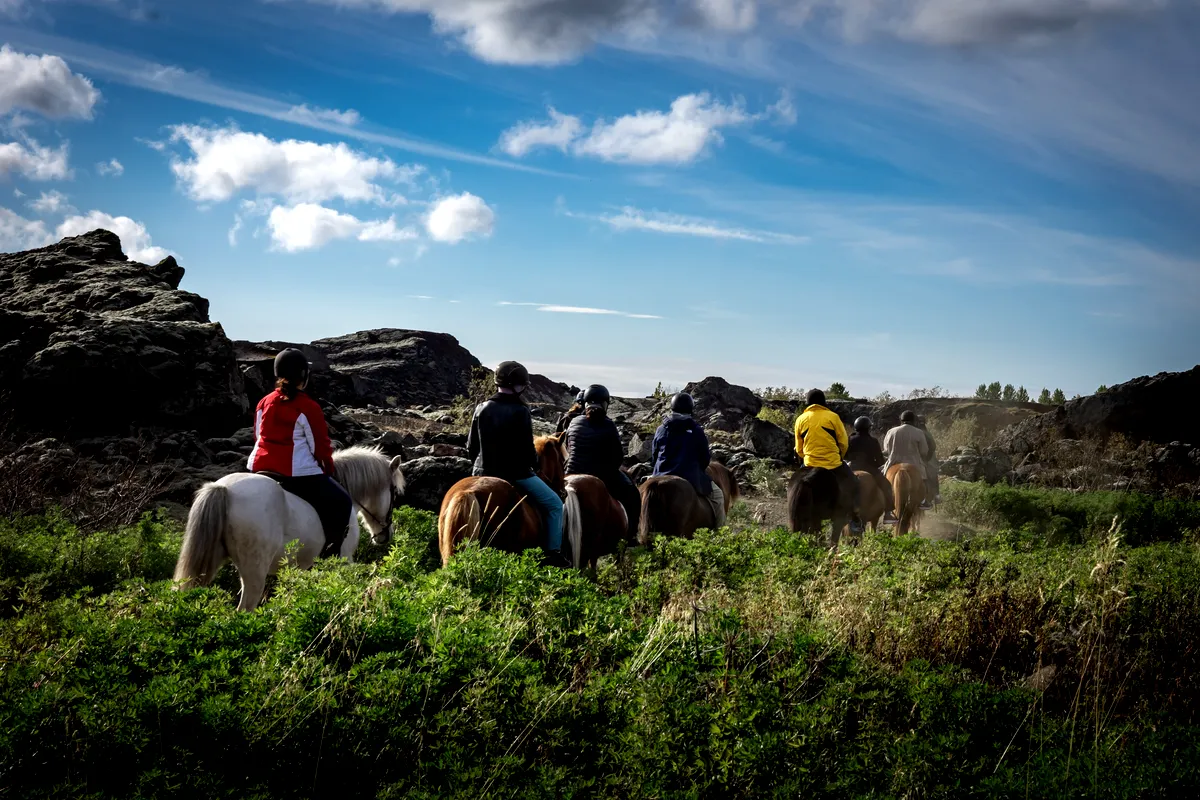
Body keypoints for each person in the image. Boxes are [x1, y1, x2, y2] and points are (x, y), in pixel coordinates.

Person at [249, 348, 353, 559]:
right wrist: (328, 469)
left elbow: (258, 436)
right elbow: (320, 447)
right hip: (296, 475)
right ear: (303, 376)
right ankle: (330, 556)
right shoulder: (308, 407)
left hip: (259, 468)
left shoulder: (264, 402)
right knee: (343, 503)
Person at [467, 360, 567, 567]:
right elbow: (527, 450)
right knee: (555, 505)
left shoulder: (481, 408)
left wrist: (478, 470)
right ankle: (553, 554)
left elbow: (471, 447)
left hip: (481, 472)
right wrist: (535, 466)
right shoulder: (520, 411)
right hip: (515, 473)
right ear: (517, 385)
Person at [565, 384, 641, 538]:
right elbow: (617, 458)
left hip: (570, 472)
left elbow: (568, 448)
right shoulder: (608, 424)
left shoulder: (574, 422)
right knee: (632, 494)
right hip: (602, 475)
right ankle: (631, 535)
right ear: (605, 404)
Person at [650, 392, 725, 528]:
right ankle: (719, 536)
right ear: (690, 409)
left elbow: (654, 456)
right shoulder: (696, 431)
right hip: (689, 476)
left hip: (660, 474)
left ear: (672, 408)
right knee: (718, 497)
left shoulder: (660, 429)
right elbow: (704, 459)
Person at [794, 389, 863, 535]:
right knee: (855, 484)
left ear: (808, 403)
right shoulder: (833, 417)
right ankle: (855, 519)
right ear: (823, 402)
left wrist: (807, 458)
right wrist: (840, 457)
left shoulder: (800, 419)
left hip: (809, 463)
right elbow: (843, 443)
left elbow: (799, 448)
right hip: (833, 464)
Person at [846, 416, 898, 522]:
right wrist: (877, 463)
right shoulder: (873, 441)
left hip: (852, 468)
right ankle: (888, 513)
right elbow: (879, 460)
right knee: (887, 485)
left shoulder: (850, 439)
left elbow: (845, 456)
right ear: (869, 428)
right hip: (870, 469)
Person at [883, 410, 931, 509]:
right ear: (913, 420)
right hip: (914, 463)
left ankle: (884, 501)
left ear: (901, 420)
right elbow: (924, 451)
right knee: (926, 478)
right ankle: (924, 500)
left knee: (881, 480)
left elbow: (886, 450)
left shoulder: (891, 431)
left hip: (893, 462)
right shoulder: (919, 432)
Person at [916, 416, 942, 509]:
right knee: (933, 476)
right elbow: (933, 446)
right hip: (928, 459)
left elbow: (932, 447)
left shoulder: (918, 432)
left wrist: (925, 459)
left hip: (924, 458)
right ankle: (937, 496)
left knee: (932, 473)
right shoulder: (927, 433)